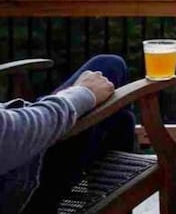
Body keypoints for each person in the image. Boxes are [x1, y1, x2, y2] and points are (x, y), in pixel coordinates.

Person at [0, 54, 136, 214]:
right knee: (109, 66)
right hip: (21, 184)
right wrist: (84, 93)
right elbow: (13, 134)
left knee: (122, 118)